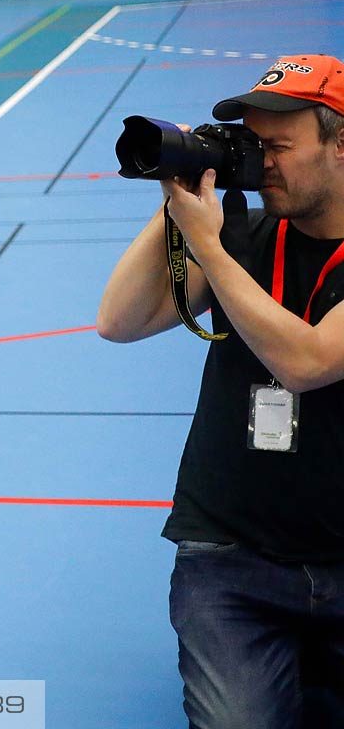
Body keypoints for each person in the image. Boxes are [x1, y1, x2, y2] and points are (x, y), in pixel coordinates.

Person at [96, 55, 344, 729]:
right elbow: (118, 321)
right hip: (231, 560)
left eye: (279, 147)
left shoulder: (225, 248)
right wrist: (178, 201)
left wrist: (210, 248)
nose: (259, 163)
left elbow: (308, 361)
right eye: (250, 145)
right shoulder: (241, 236)